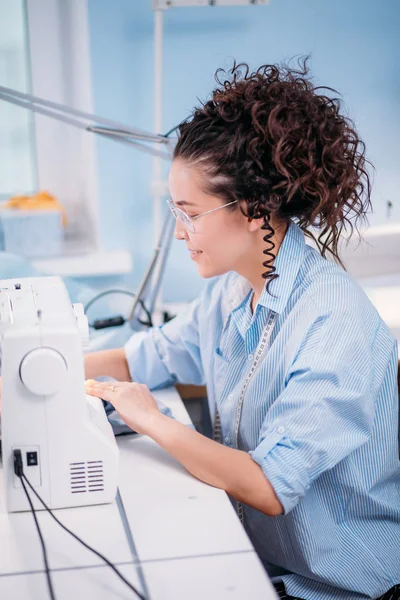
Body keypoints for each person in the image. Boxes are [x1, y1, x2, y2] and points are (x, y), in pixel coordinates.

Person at [85, 61, 400, 600]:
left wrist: (152, 419)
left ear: (256, 209)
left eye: (189, 213)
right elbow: (149, 356)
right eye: (173, 211)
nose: (179, 233)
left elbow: (269, 485)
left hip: (336, 585)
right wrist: (40, 366)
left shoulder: (334, 323)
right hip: (266, 558)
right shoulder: (233, 288)